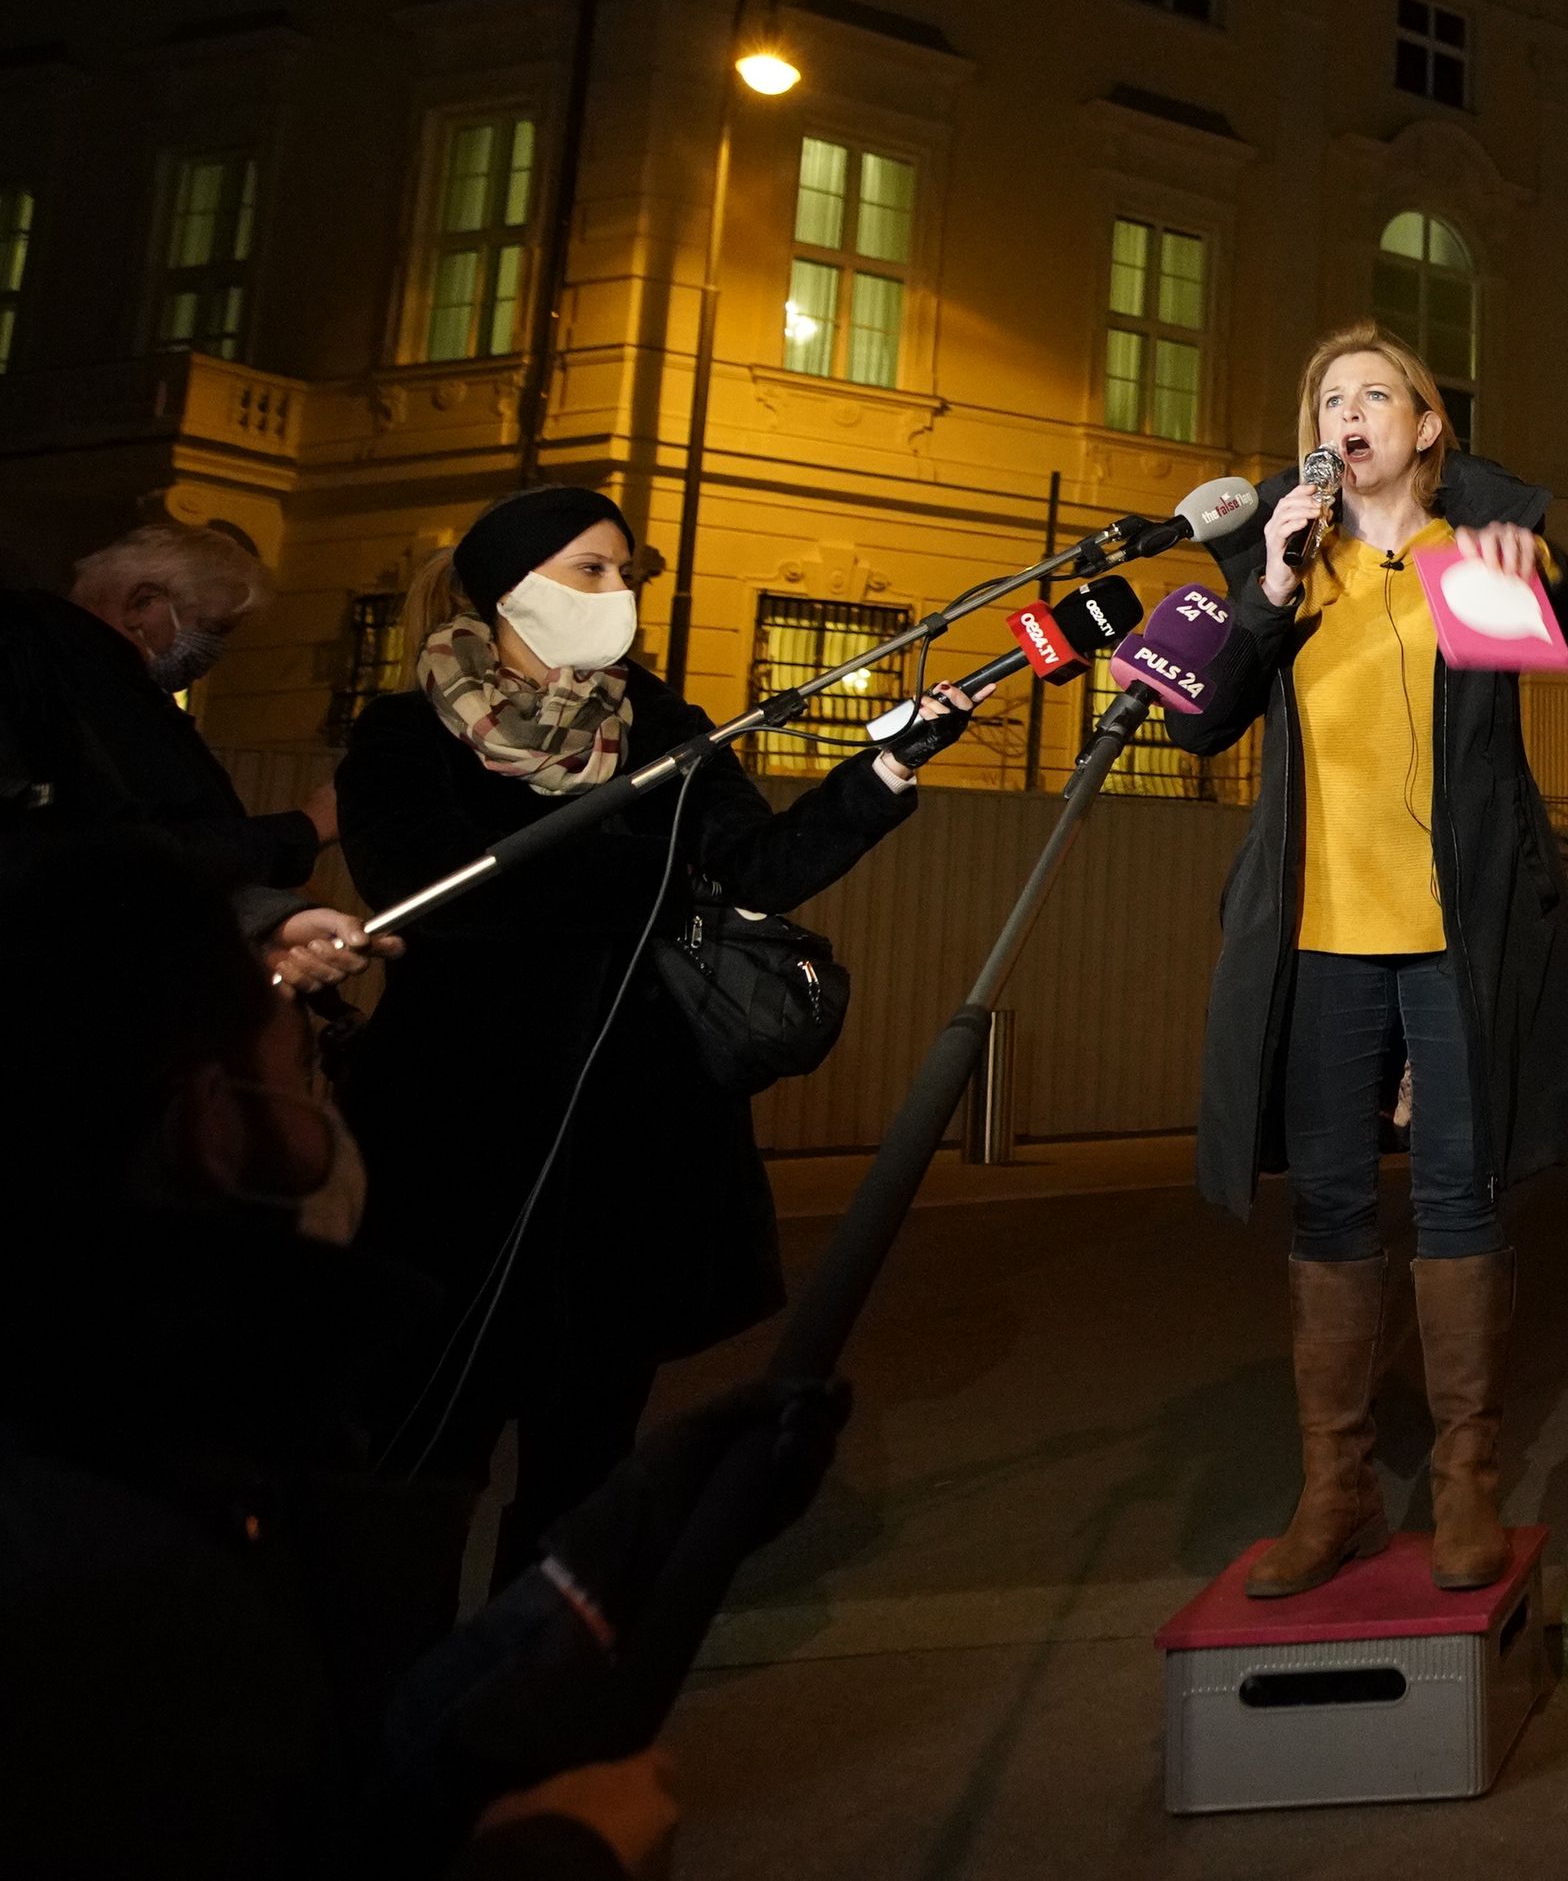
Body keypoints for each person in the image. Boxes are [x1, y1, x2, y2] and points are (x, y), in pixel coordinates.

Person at [0, 827, 694, 1878]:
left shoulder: (133, 1442)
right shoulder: (124, 1595)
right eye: (303, 1062)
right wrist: (568, 1851)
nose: (322, 1101)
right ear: (212, 1124)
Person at [335, 485, 958, 1591]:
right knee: (424, 1450)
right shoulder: (402, 734)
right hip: (457, 1141)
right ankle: (387, 1711)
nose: (617, 593)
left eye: (628, 572)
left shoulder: (664, 729)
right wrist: (637, 875)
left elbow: (759, 869)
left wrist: (883, 771)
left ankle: (539, 1713)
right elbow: (430, 896)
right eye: (590, 569)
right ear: (507, 587)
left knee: (585, 1459)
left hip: (630, 1138)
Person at [1171, 325, 1568, 1598]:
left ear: (1427, 428)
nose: (1350, 409)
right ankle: (1339, 1491)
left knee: (1458, 1195)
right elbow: (1201, 721)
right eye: (1330, 396)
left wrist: (1541, 568)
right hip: (1320, 937)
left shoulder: (1468, 551)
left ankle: (1470, 1477)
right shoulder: (1285, 555)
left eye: (1376, 392)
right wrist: (1265, 584)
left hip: (1455, 934)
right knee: (1324, 1204)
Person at [0, 519, 382, 996]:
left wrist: (272, 922)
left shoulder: (103, 683)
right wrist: (308, 827)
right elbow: (131, 856)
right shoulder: (82, 688)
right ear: (144, 601)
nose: (213, 653)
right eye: (214, 629)